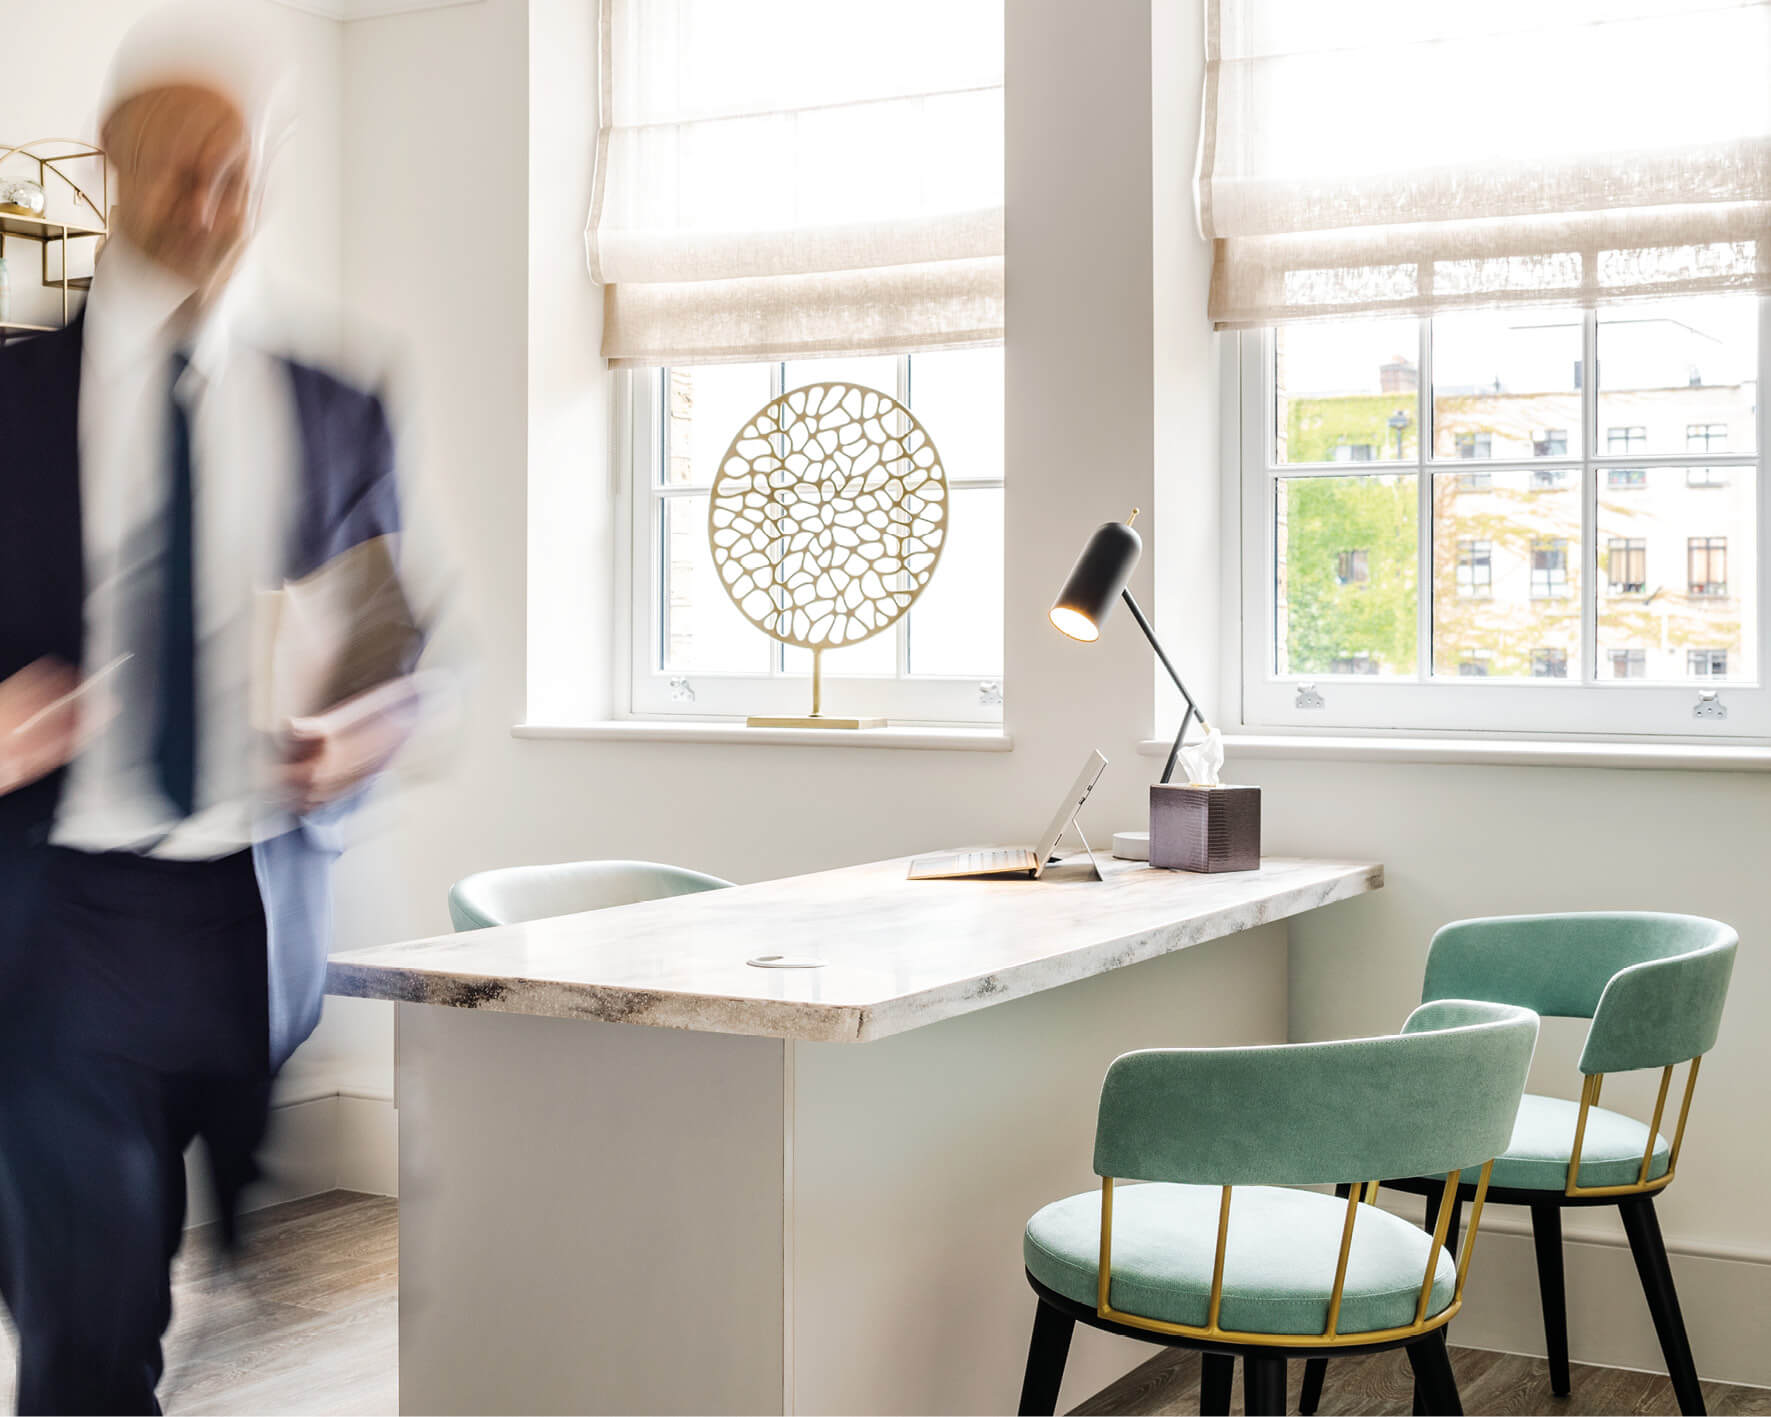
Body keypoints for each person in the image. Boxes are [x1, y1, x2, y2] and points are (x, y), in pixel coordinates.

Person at [0, 6, 435, 1411]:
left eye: (236, 172)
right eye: (178, 169)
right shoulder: (9, 401)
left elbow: (391, 641)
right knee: (91, 1320)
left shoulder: (335, 401)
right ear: (111, 167)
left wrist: (359, 732)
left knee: (193, 1281)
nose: (209, 203)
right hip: (54, 920)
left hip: (248, 928)